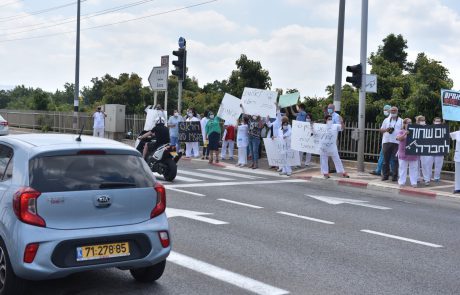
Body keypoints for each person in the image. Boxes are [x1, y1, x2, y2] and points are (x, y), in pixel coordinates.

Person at [320, 114, 349, 179]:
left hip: (332, 147)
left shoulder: (335, 126)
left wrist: (341, 121)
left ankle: (343, 172)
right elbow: (314, 132)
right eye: (329, 119)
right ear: (325, 120)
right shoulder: (321, 127)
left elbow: (343, 128)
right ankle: (325, 174)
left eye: (331, 119)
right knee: (324, 160)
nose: (330, 120)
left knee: (337, 159)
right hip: (324, 147)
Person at [370, 104, 395, 176]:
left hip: (387, 141)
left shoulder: (387, 120)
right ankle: (393, 171)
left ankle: (378, 170)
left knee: (383, 156)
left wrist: (385, 130)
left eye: (386, 110)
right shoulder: (394, 119)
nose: (385, 111)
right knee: (391, 157)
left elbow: (382, 130)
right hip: (392, 142)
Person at [380, 106, 402, 181]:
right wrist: (386, 129)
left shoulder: (401, 121)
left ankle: (394, 177)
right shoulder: (386, 120)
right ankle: (385, 176)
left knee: (396, 160)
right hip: (386, 141)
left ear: (397, 111)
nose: (393, 112)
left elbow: (403, 130)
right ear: (390, 111)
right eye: (392, 110)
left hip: (397, 142)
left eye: (394, 110)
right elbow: (381, 130)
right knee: (386, 160)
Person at [396, 118, 419, 188]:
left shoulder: (415, 131)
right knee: (402, 168)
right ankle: (401, 182)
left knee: (414, 169)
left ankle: (414, 182)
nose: (410, 124)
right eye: (408, 123)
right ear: (405, 124)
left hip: (413, 153)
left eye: (411, 122)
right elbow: (398, 138)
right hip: (403, 153)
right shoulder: (401, 131)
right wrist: (405, 134)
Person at [241, 105, 264, 169]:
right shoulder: (250, 120)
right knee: (251, 151)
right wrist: (242, 107)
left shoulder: (259, 120)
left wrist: (260, 118)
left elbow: (261, 126)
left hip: (256, 138)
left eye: (255, 115)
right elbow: (245, 114)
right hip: (250, 137)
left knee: (255, 151)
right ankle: (253, 163)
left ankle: (256, 164)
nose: (254, 115)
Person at [427, 117, 445, 182]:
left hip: (440, 149)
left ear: (441, 122)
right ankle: (428, 177)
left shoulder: (444, 129)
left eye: (439, 121)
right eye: (436, 121)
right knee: (428, 164)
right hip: (430, 149)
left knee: (438, 164)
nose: (438, 122)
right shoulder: (429, 128)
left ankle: (437, 177)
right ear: (433, 121)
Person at [416, 115, 431, 186]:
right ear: (418, 121)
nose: (423, 121)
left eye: (423, 120)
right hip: (416, 147)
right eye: (421, 120)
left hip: (424, 148)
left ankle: (427, 179)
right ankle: (417, 178)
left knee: (425, 164)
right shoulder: (414, 127)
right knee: (416, 164)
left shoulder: (428, 127)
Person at [450, 129, 460, 194]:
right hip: (458, 155)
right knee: (457, 173)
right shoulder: (457, 133)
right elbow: (448, 135)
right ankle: (457, 188)